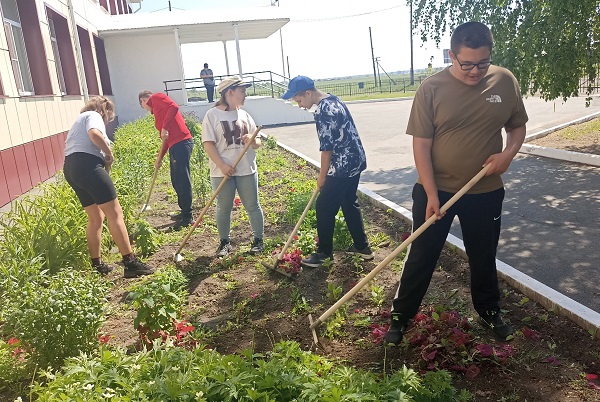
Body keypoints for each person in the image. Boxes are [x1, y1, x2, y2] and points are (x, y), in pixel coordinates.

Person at [384, 21, 528, 344]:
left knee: (484, 255)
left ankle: (490, 311)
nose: (475, 71)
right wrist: (431, 193)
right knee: (422, 253)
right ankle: (400, 316)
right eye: (467, 64)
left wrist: (508, 154)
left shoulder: (504, 82)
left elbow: (517, 128)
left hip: (485, 191)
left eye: (483, 63)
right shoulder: (431, 89)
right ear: (451, 55)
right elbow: (420, 145)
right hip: (436, 190)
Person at [282, 76, 372, 268]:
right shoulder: (334, 99)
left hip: (342, 165)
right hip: (356, 160)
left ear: (308, 93)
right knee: (349, 201)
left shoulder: (323, 111)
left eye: (299, 101)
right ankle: (362, 247)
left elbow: (327, 148)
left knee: (324, 207)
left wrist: (322, 176)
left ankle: (324, 253)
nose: (299, 105)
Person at [63, 96, 154, 278]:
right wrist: (109, 152)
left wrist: (106, 161)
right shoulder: (94, 115)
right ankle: (130, 262)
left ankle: (97, 265)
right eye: (109, 115)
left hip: (71, 168)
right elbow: (95, 135)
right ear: (104, 109)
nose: (108, 118)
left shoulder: (78, 121)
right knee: (115, 213)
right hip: (88, 165)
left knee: (96, 217)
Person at [201, 77, 265, 257]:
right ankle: (224, 242)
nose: (245, 95)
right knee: (224, 207)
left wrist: (253, 141)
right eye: (242, 91)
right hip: (221, 172)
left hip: (246, 169)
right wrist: (221, 165)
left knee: (252, 205)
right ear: (230, 92)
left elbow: (258, 142)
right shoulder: (212, 115)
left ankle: (258, 240)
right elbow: (208, 143)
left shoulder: (244, 115)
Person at [138, 90, 194, 230]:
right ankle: (183, 211)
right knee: (176, 179)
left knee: (182, 179)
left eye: (142, 105)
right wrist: (159, 158)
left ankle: (188, 216)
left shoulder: (156, 98)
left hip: (182, 142)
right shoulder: (158, 113)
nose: (145, 109)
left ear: (143, 100)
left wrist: (164, 127)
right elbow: (165, 140)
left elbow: (174, 107)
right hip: (175, 145)